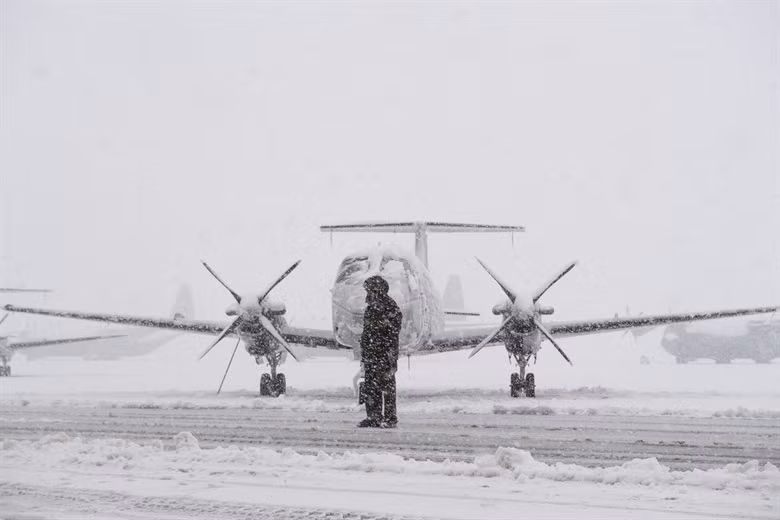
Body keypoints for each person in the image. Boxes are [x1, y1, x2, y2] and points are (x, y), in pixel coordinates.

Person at [358, 275, 402, 428]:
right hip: (372, 354)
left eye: (369, 290)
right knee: (371, 386)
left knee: (387, 387)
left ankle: (390, 418)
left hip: (384, 354)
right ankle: (373, 417)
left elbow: (392, 334)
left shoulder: (391, 308)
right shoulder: (371, 308)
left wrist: (389, 354)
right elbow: (367, 333)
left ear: (378, 291)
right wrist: (365, 353)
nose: (367, 293)